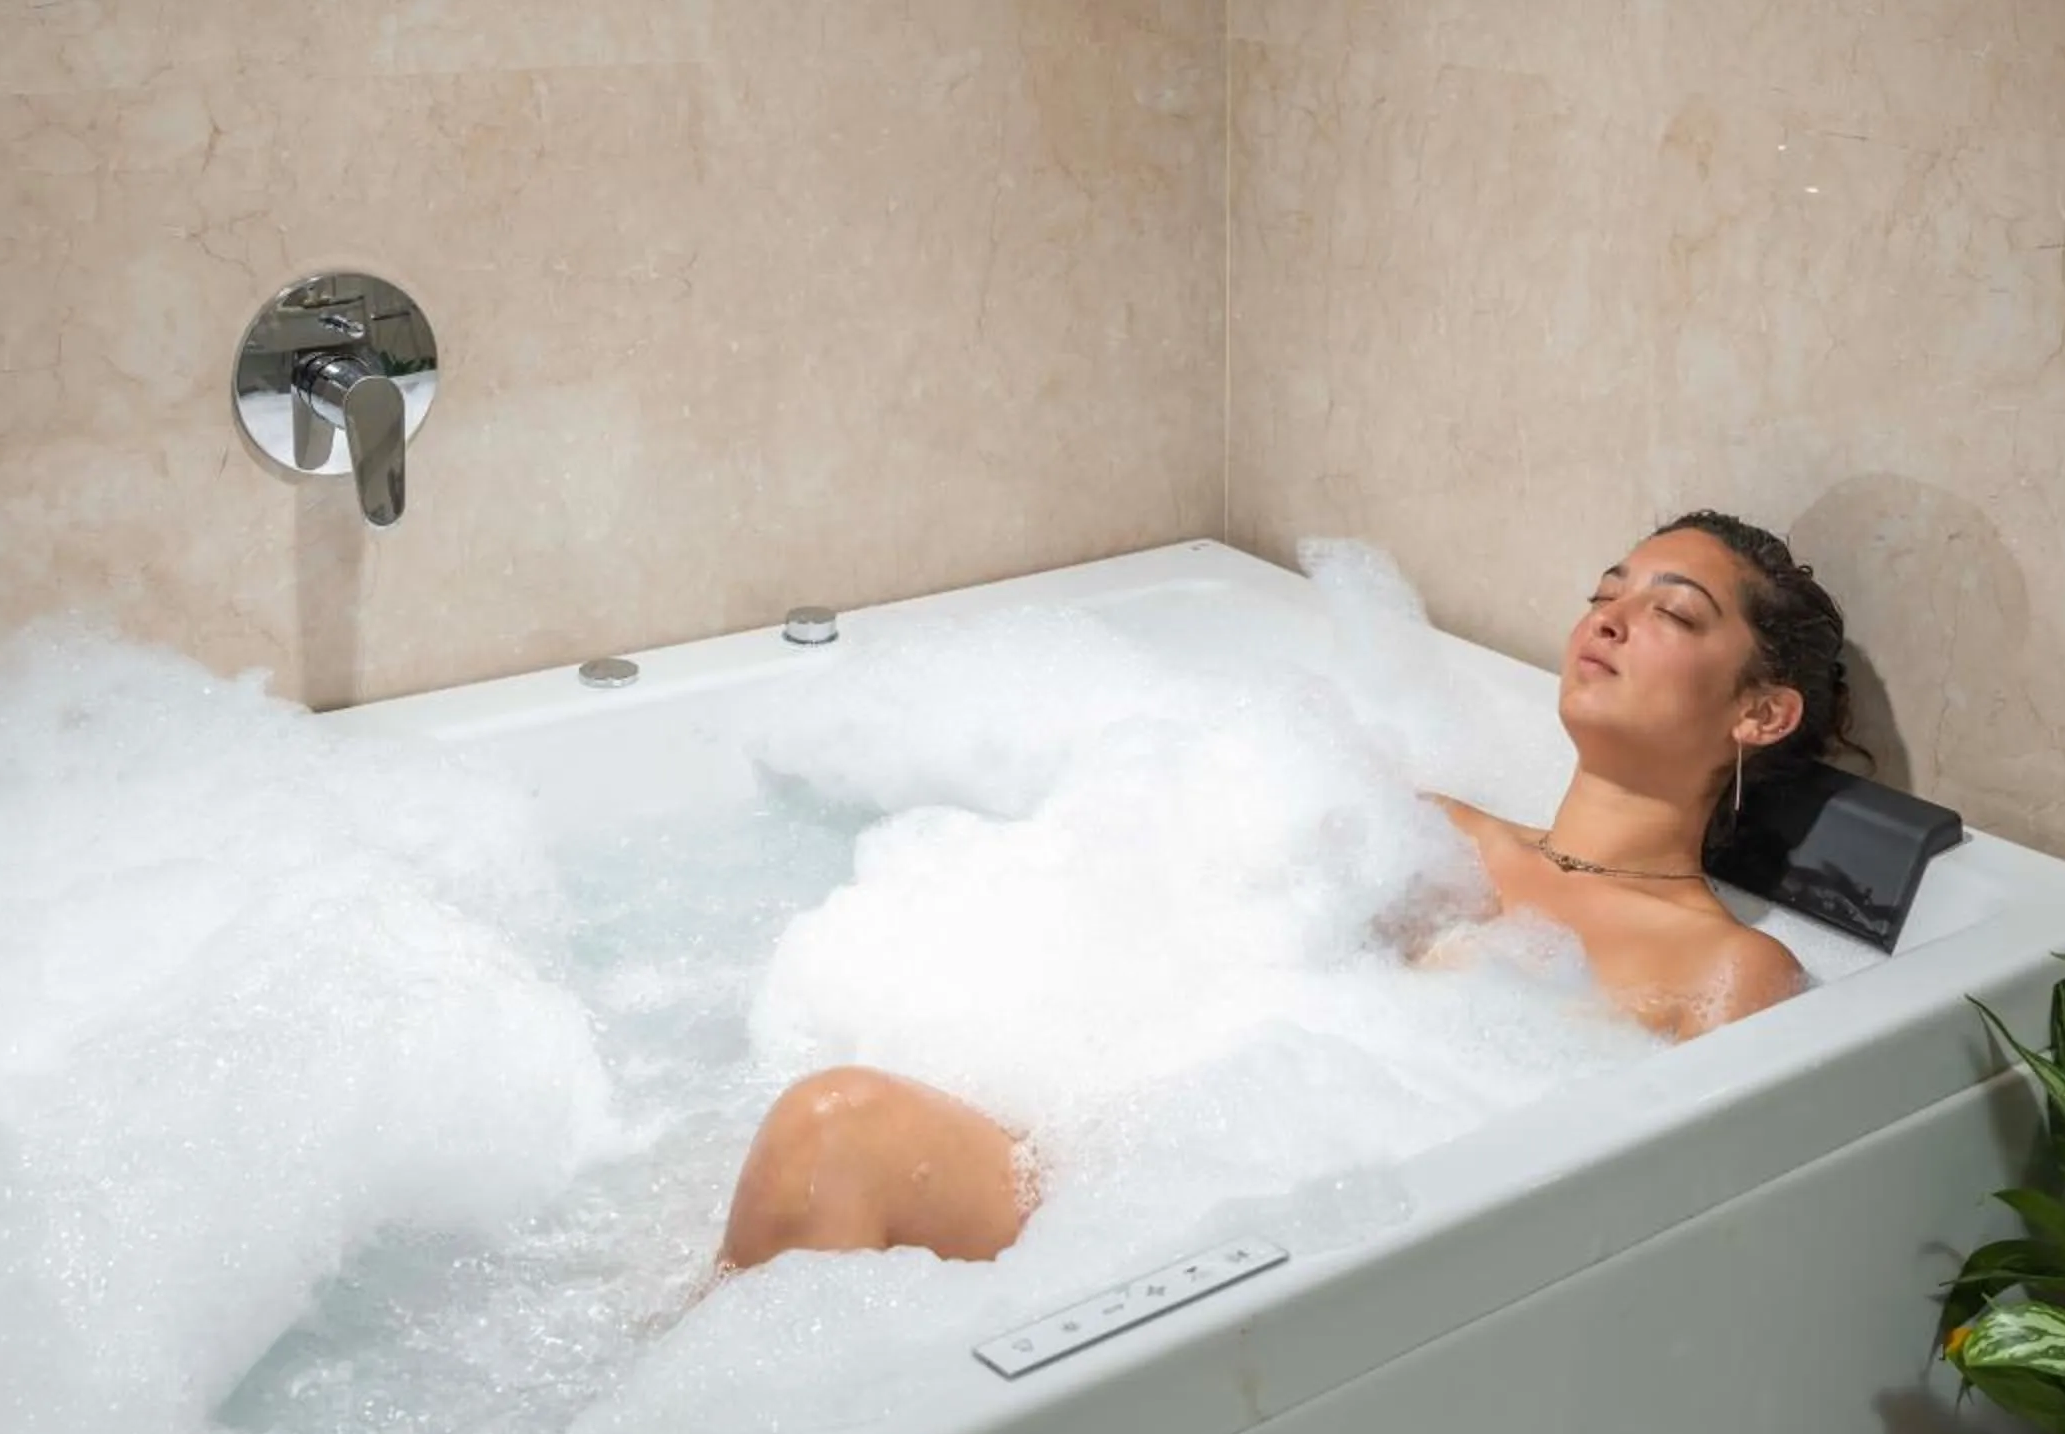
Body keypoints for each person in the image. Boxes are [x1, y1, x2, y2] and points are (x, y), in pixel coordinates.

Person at [714, 511, 1858, 1274]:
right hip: (1128, 1184)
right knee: (831, 1131)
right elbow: (1181, 966)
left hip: (1303, 1270)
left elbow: (1685, 1243)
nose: (1609, 618)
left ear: (1760, 715)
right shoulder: (1424, 833)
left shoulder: (1728, 969)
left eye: (1674, 613)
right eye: (1607, 592)